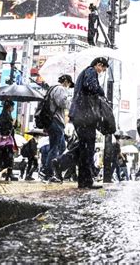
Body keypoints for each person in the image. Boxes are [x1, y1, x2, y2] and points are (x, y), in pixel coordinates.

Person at [69, 57, 109, 189]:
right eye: (102, 68)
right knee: (87, 148)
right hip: (84, 115)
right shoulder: (91, 71)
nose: (102, 71)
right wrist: (101, 91)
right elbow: (91, 86)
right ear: (98, 65)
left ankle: (84, 181)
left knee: (84, 147)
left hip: (80, 115)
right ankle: (86, 181)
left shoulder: (85, 73)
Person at [41, 74, 74, 182]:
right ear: (66, 81)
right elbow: (62, 103)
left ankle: (52, 169)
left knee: (61, 147)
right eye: (69, 84)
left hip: (53, 121)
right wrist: (71, 101)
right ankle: (48, 172)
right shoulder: (60, 88)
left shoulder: (52, 88)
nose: (68, 87)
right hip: (56, 121)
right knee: (55, 147)